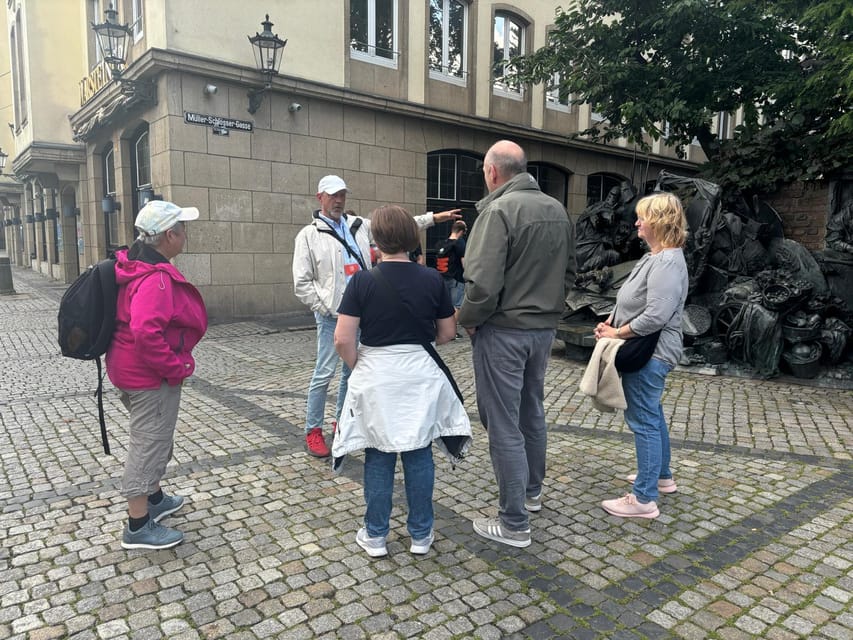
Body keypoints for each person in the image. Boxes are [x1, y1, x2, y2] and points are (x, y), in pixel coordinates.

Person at [332, 205, 472, 557]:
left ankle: (376, 535)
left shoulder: (362, 281)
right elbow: (447, 333)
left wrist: (359, 364)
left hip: (376, 374)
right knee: (419, 450)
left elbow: (342, 339)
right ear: (412, 238)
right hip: (419, 374)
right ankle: (421, 535)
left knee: (378, 454)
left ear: (376, 240)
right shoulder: (431, 279)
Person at [458, 140, 576, 548]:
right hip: (542, 330)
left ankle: (513, 522)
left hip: (504, 330)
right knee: (531, 410)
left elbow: (482, 284)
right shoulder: (557, 209)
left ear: (493, 172)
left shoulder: (498, 210)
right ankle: (531, 492)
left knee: (504, 422)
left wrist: (467, 322)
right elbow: (571, 272)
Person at [292, 175, 460, 458]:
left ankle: (342, 422)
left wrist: (436, 217)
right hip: (334, 316)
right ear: (319, 197)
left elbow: (401, 227)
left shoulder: (358, 226)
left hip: (363, 313)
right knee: (323, 373)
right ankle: (313, 429)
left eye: (342, 194)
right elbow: (301, 283)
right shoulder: (309, 235)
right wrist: (326, 307)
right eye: (333, 195)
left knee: (351, 373)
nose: (339, 200)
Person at [106, 200, 208, 550]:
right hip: (148, 376)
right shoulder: (156, 279)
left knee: (155, 436)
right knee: (148, 445)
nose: (186, 234)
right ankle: (137, 526)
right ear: (169, 235)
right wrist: (175, 368)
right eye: (182, 228)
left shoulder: (136, 264)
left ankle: (155, 498)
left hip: (127, 367)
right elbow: (147, 332)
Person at [594, 191, 688, 519]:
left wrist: (617, 333)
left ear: (659, 222)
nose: (636, 222)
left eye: (642, 217)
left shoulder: (666, 262)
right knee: (652, 413)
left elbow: (656, 316)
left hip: (651, 354)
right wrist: (611, 322)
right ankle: (661, 477)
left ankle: (644, 498)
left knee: (643, 420)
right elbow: (636, 304)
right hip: (649, 350)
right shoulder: (657, 257)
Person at [435, 220, 467, 326]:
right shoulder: (460, 243)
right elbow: (464, 262)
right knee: (457, 305)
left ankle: (442, 328)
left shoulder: (442, 243)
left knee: (445, 305)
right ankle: (452, 330)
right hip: (456, 278)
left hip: (443, 276)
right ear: (461, 231)